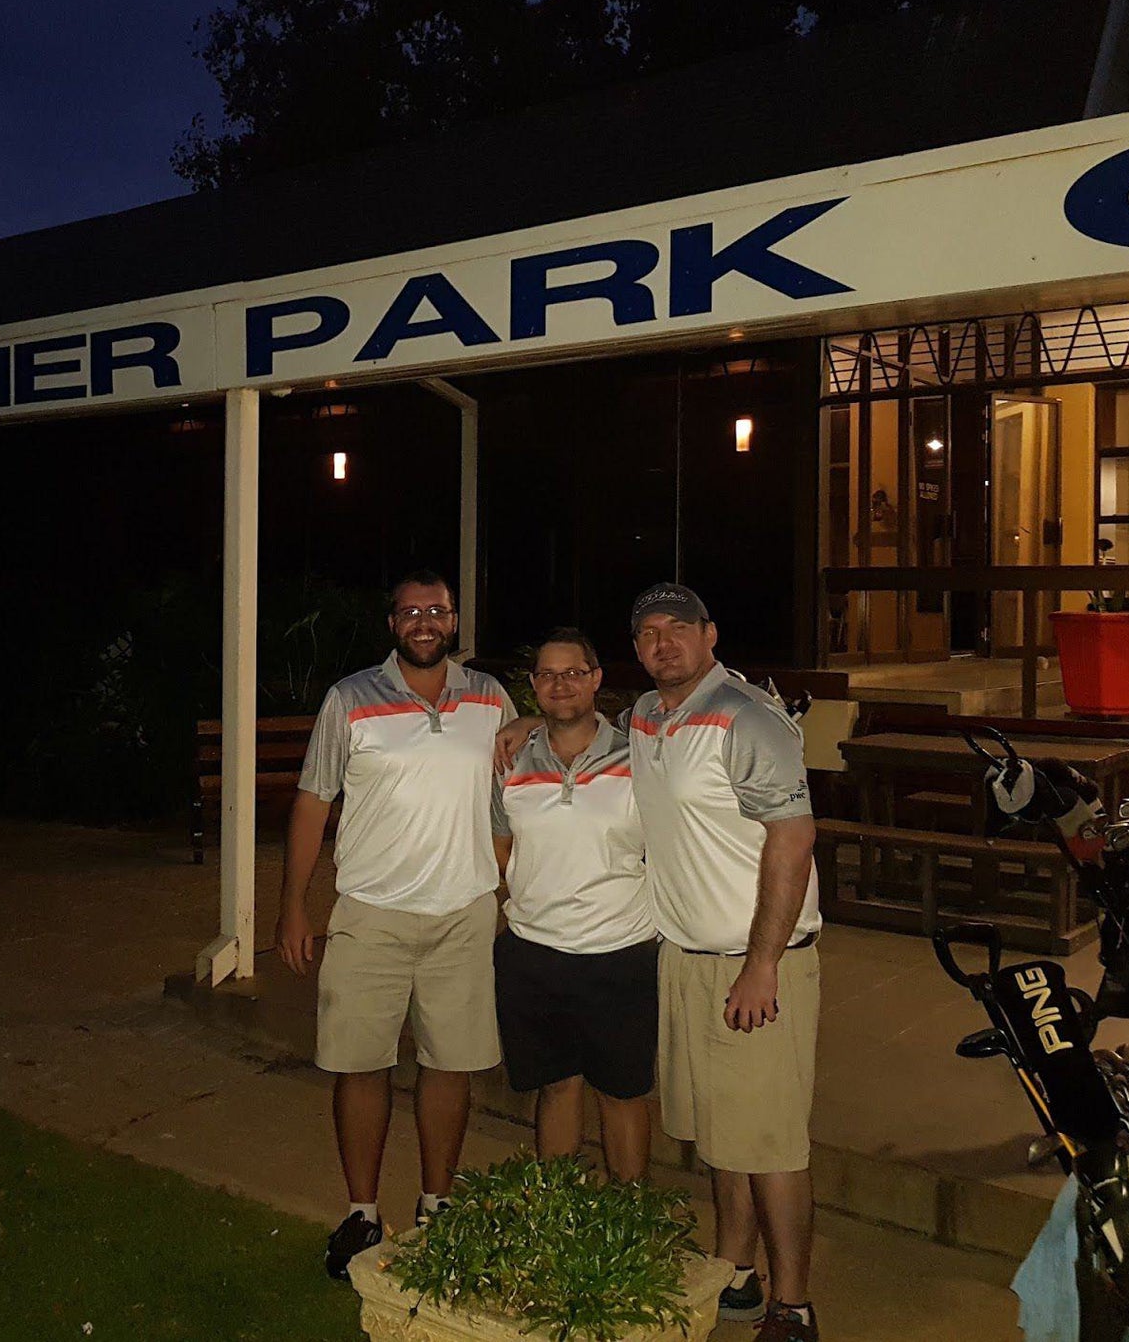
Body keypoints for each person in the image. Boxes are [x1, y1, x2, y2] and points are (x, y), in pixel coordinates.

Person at [276, 570, 518, 1280]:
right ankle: (362, 1212)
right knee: (361, 1063)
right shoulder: (350, 699)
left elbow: (510, 800)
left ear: (454, 621)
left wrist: (507, 893)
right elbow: (313, 804)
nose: (424, 621)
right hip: (371, 913)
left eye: (436, 611)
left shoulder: (491, 698)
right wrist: (294, 905)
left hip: (464, 913)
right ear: (392, 624)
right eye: (410, 611)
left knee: (450, 1064)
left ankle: (437, 1203)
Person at [627, 582, 822, 1342]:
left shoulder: (747, 718)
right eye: (648, 632)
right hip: (686, 957)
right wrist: (520, 732)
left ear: (711, 634)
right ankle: (734, 1271)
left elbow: (793, 837)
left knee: (770, 1141)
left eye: (679, 628)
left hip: (758, 963)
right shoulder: (647, 716)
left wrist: (761, 964)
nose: (663, 642)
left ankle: (794, 1302)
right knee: (720, 1131)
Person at [491, 628, 656, 1180]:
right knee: (557, 1086)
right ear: (534, 685)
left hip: (621, 951)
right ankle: (558, 1217)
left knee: (623, 1094)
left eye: (573, 673)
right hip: (535, 952)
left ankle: (631, 1223)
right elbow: (501, 848)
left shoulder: (641, 758)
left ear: (596, 679)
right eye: (547, 674)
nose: (560, 684)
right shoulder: (509, 761)